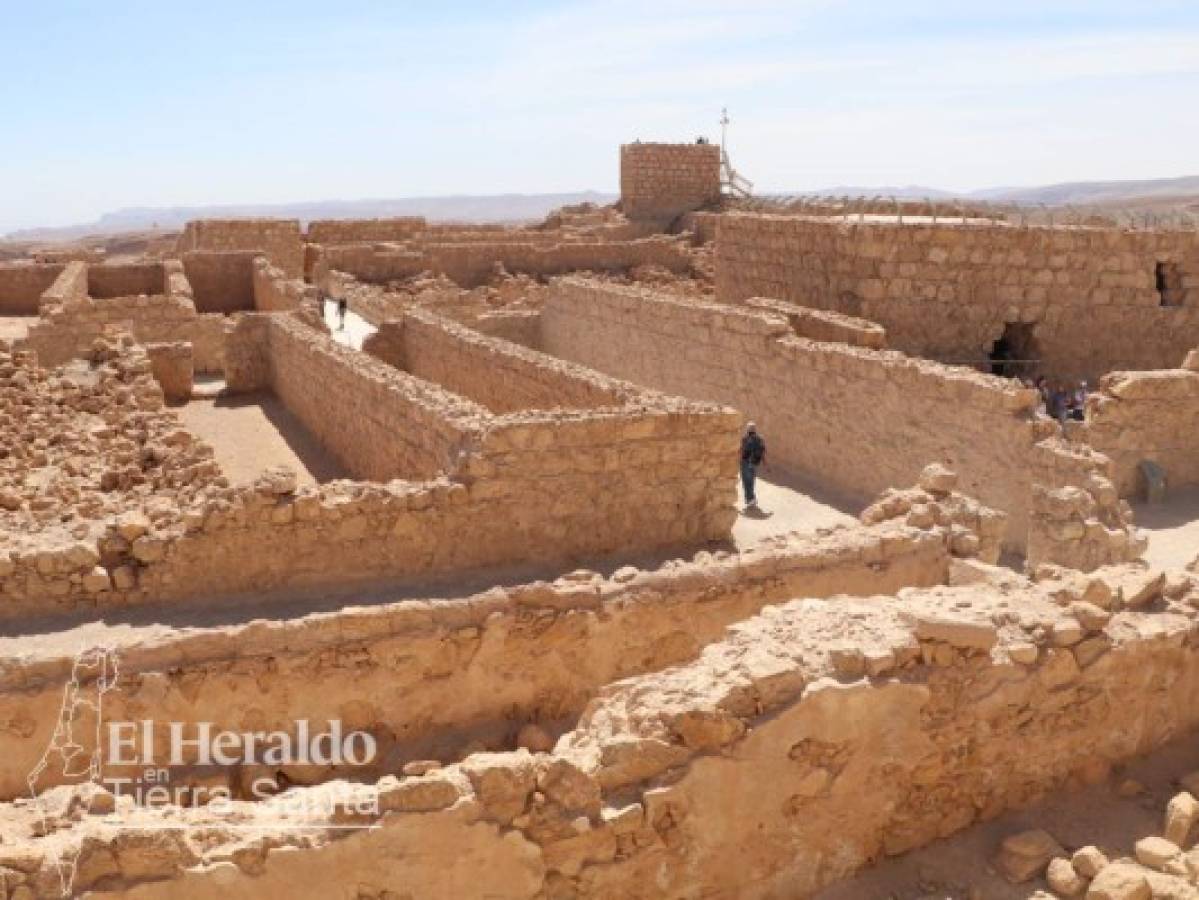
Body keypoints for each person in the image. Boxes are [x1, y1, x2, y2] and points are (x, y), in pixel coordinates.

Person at [739, 422, 766, 508]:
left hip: (745, 463)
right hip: (754, 463)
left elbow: (741, 450)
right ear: (755, 429)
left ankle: (750, 499)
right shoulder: (760, 439)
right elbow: (763, 452)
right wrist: (765, 464)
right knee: (751, 481)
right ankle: (751, 498)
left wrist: (738, 460)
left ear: (747, 429)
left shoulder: (744, 438)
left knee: (746, 482)